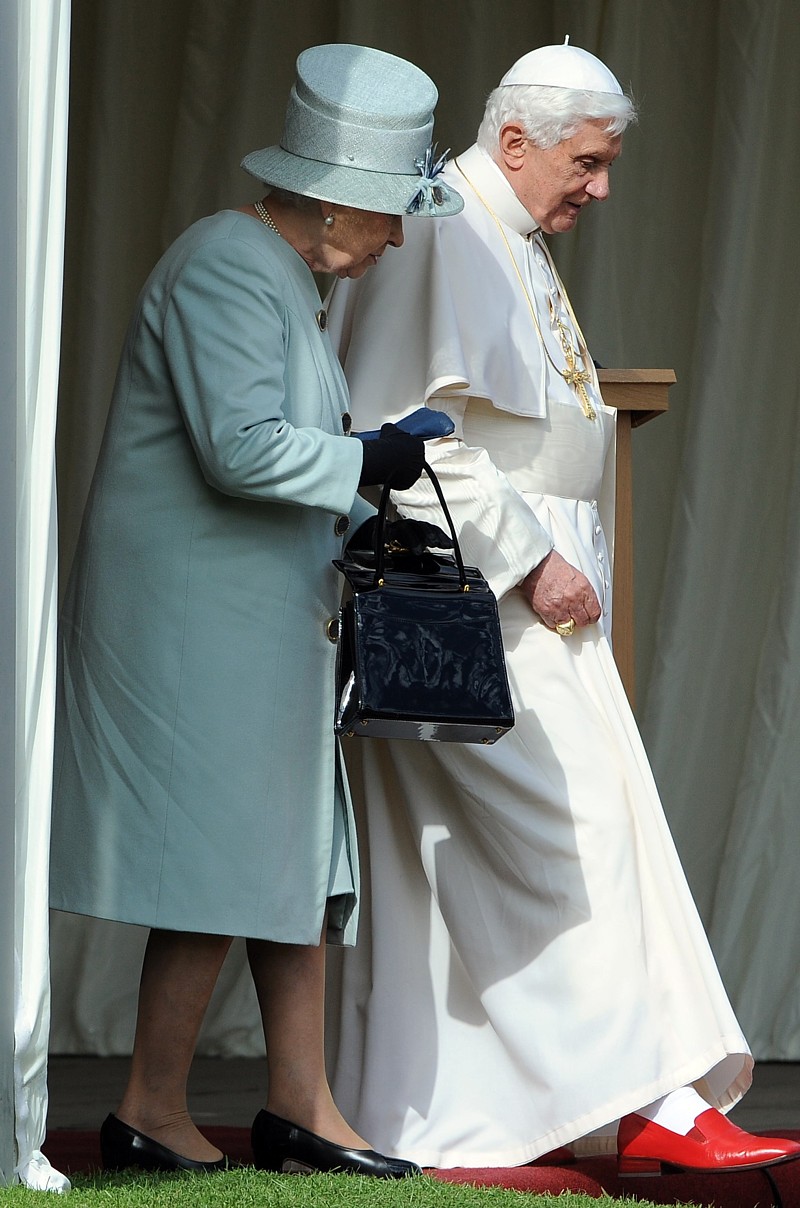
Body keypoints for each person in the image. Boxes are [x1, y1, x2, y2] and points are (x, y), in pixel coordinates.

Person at [325, 40, 800, 1177]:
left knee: (491, 859)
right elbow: (394, 427)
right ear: (513, 140)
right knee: (577, 830)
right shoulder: (441, 227)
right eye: (585, 162)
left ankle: (454, 1113)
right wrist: (530, 555)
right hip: (471, 597)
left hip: (526, 596)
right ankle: (652, 1097)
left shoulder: (500, 225)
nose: (599, 187)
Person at [49, 43, 461, 1178]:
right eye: (387, 217)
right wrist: (368, 455)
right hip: (194, 625)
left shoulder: (284, 273)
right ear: (336, 201)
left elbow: (275, 455)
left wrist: (362, 506)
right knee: (218, 864)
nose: (391, 242)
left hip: (253, 611)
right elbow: (239, 449)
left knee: (286, 856)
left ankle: (297, 1104)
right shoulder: (229, 262)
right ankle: (149, 1107)